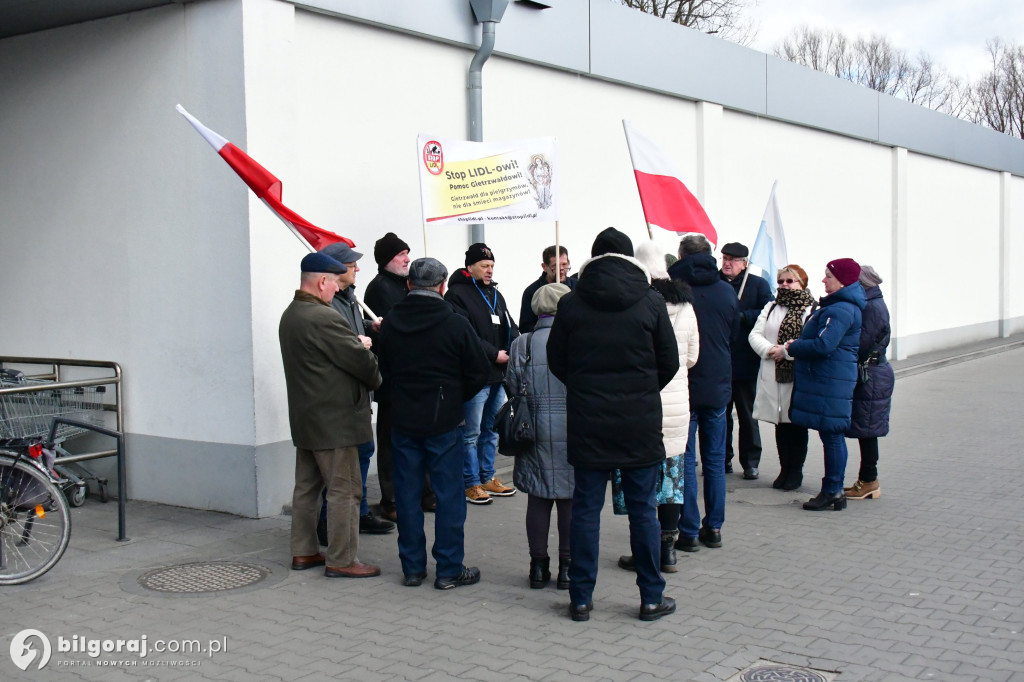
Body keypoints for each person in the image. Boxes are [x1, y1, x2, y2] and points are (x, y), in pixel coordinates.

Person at [548, 227, 679, 623]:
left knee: (586, 509)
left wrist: (587, 388)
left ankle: (581, 598)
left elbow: (558, 360)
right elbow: (669, 361)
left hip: (589, 421)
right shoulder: (651, 301)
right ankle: (651, 598)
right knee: (644, 510)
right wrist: (641, 389)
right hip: (639, 422)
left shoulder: (572, 304)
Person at [377, 258, 491, 590]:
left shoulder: (393, 322)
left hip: (402, 419)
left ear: (410, 284)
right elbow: (478, 372)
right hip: (444, 420)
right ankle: (449, 569)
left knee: (408, 495)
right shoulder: (454, 322)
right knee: (449, 495)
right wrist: (455, 397)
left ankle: (413, 568)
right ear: (442, 287)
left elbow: (383, 368)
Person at [279, 251, 382, 578]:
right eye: (335, 283)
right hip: (335, 421)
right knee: (345, 490)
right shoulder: (323, 317)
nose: (337, 290)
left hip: (308, 418)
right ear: (322, 281)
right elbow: (361, 364)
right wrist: (365, 350)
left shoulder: (292, 313)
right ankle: (342, 558)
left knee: (307, 488)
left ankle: (304, 551)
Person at [615, 240, 699, 574]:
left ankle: (643, 550)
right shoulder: (687, 306)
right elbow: (692, 357)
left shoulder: (636, 301)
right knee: (672, 479)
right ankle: (668, 550)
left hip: (641, 401)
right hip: (678, 401)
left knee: (640, 481)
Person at [319, 242, 394, 537]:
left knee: (364, 451)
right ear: (337, 269)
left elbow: (350, 328)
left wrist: (367, 325)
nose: (357, 269)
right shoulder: (329, 303)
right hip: (344, 394)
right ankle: (328, 521)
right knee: (343, 462)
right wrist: (359, 342)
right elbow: (339, 342)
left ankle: (359, 513)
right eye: (352, 265)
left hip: (358, 394)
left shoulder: (349, 298)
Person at [668, 234, 738, 551]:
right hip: (719, 384)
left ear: (681, 255)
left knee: (686, 461)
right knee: (714, 462)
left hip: (685, 385)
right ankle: (715, 528)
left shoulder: (675, 294)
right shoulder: (726, 291)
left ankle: (689, 529)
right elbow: (733, 334)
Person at [364, 232, 437, 520]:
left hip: (417, 376)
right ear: (386, 261)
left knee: (423, 437)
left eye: (408, 253)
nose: (407, 258)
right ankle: (391, 499)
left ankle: (426, 493)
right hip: (394, 378)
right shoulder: (379, 288)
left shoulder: (409, 285)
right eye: (400, 254)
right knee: (392, 439)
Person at [505, 282, 574, 590]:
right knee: (570, 499)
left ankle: (538, 566)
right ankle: (568, 568)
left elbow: (511, 384)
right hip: (572, 428)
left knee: (538, 498)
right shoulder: (578, 339)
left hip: (532, 429)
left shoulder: (523, 342)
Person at [785, 258, 865, 512]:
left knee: (831, 436)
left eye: (828, 275)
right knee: (831, 435)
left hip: (831, 381)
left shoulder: (839, 309)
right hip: (831, 379)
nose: (823, 279)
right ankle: (834, 490)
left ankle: (832, 489)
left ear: (841, 280)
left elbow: (824, 345)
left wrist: (793, 346)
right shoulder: (839, 306)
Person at [445, 243, 520, 505]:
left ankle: (487, 476)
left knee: (491, 429)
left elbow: (510, 325)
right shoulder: (457, 295)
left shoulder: (496, 294)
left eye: (491, 266)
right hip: (476, 376)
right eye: (484, 266)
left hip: (498, 375)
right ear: (470, 267)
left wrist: (514, 348)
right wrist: (493, 354)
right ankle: (470, 483)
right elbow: (466, 334)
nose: (489, 271)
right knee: (471, 433)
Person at [748, 265, 817, 491]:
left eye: (790, 281)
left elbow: (810, 342)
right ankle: (784, 468)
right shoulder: (771, 307)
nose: (784, 285)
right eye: (781, 281)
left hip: (798, 375)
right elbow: (755, 334)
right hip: (773, 373)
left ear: (802, 284)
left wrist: (785, 352)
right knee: (780, 424)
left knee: (796, 424)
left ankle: (795, 471)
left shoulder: (812, 308)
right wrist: (769, 350)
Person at [719, 242, 773, 479]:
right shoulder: (716, 282)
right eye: (724, 258)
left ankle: (751, 461)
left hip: (745, 361)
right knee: (721, 416)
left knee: (748, 415)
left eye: (732, 259)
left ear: (744, 263)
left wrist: (743, 316)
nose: (727, 263)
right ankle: (722, 458)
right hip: (721, 361)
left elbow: (767, 312)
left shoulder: (757, 285)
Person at [844, 265, 894, 500]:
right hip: (873, 373)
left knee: (868, 430)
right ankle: (866, 480)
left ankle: (869, 481)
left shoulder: (872, 308)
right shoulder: (872, 304)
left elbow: (862, 342)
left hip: (872, 375)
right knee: (866, 429)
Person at [519, 245, 576, 333]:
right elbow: (525, 326)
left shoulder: (577, 287)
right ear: (544, 267)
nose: (561, 269)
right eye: (555, 266)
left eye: (564, 264)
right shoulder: (532, 292)